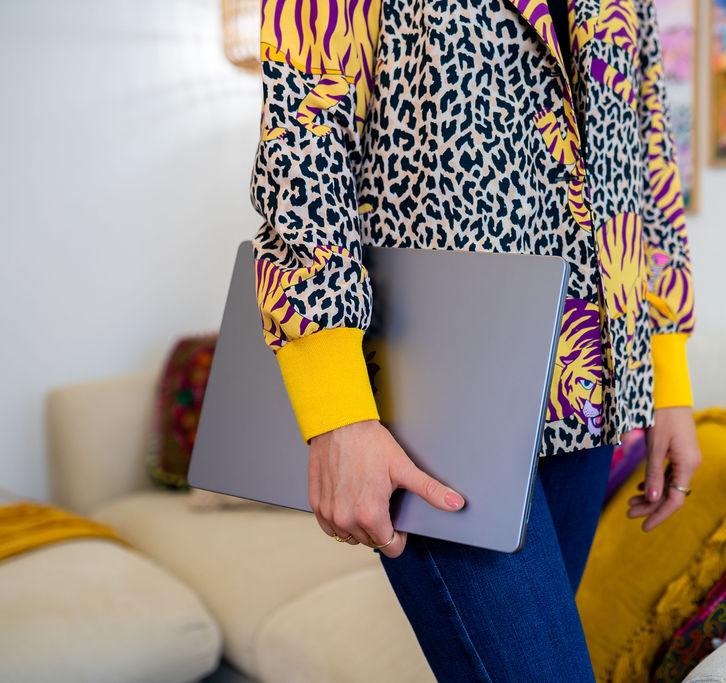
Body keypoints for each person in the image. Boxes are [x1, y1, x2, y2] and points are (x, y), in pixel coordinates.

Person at [249, 0, 702, 678]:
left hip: (591, 378)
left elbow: (650, 156)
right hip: (437, 386)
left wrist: (669, 380)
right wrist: (337, 409)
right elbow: (304, 141)